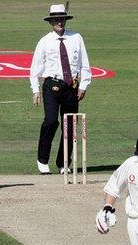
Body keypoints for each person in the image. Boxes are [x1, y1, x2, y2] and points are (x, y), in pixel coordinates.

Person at [30, 4, 91, 174]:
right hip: (52, 85)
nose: (59, 22)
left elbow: (84, 63)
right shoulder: (45, 41)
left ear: (65, 20)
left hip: (71, 86)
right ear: (51, 22)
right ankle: (42, 160)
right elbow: (35, 68)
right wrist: (35, 91)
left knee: (70, 125)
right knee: (51, 121)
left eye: (62, 19)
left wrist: (84, 85)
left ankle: (63, 162)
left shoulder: (76, 38)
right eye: (56, 19)